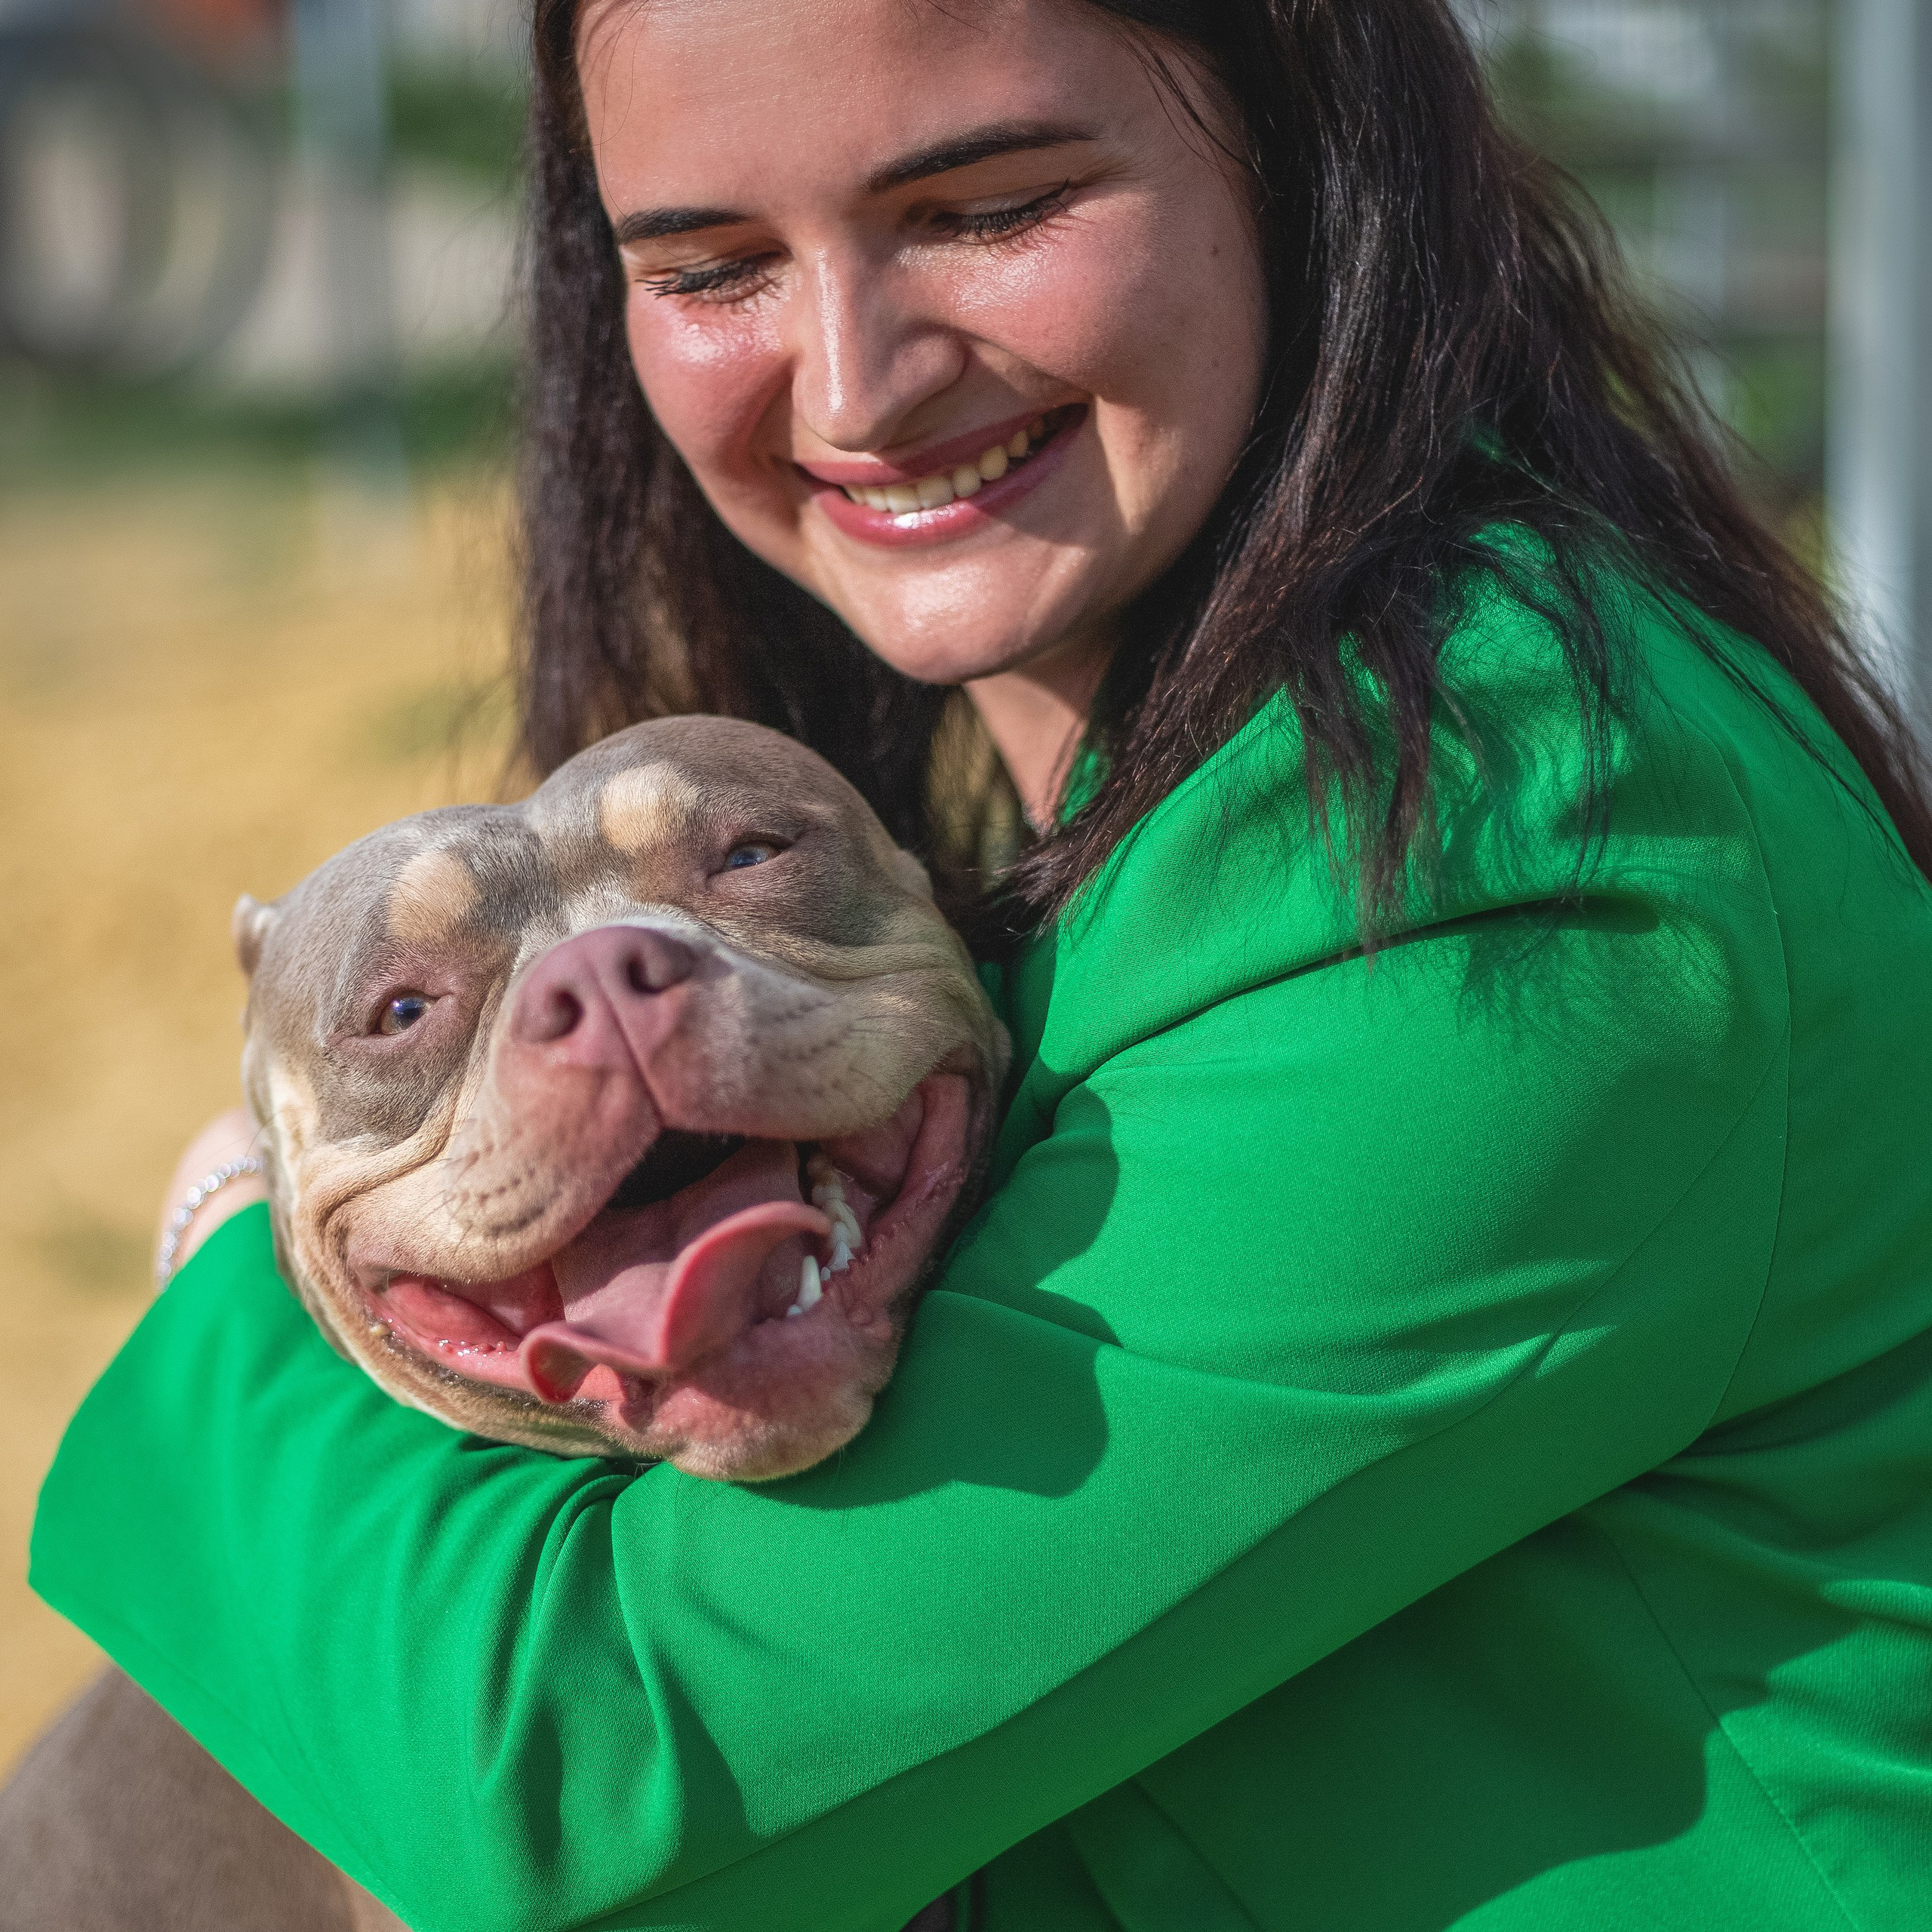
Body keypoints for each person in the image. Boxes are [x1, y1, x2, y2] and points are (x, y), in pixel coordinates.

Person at [32, 1, 1932, 1927]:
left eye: (992, 207)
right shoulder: (1141, 793)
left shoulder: (1515, 873)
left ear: (1296, 136)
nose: (852, 387)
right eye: (710, 265)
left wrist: (235, 1247)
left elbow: (600, 1794)